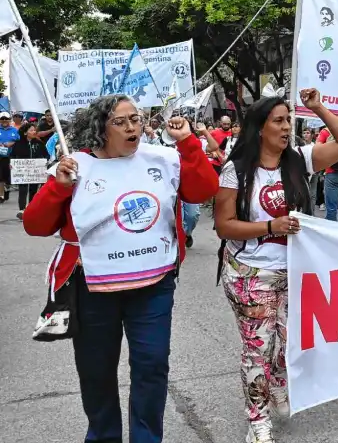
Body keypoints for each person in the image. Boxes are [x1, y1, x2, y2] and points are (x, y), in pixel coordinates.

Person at [22, 94, 219, 443]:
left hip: (153, 285)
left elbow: (203, 190)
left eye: (136, 118)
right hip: (92, 288)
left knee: (152, 365)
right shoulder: (74, 165)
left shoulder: (163, 158)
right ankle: (103, 436)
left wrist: (188, 143)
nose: (132, 127)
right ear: (101, 129)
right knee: (96, 373)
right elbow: (36, 226)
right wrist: (58, 187)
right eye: (121, 121)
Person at [215, 89, 338, 443]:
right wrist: (270, 227)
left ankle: (279, 384)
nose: (286, 127)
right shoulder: (236, 170)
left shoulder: (299, 161)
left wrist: (318, 107)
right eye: (278, 121)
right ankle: (257, 417)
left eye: (288, 120)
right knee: (257, 349)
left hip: (294, 271)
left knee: (290, 341)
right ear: (259, 128)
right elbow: (224, 225)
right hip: (251, 274)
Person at [11, 122, 49, 219]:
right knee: (23, 190)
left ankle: (31, 209)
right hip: (22, 173)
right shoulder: (18, 144)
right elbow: (12, 156)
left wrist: (45, 162)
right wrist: (11, 164)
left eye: (34, 130)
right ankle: (22, 210)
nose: (34, 132)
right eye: (31, 130)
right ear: (25, 133)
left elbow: (46, 155)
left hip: (35, 172)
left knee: (33, 190)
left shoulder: (39, 143)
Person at [0, 111, 18, 203]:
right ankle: (1, 195)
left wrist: (11, 143)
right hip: (0, 157)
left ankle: (6, 191)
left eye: (6, 119)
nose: (4, 120)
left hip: (10, 156)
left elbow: (19, 141)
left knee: (6, 177)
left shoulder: (14, 130)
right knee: (0, 177)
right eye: (2, 119)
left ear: (9, 120)